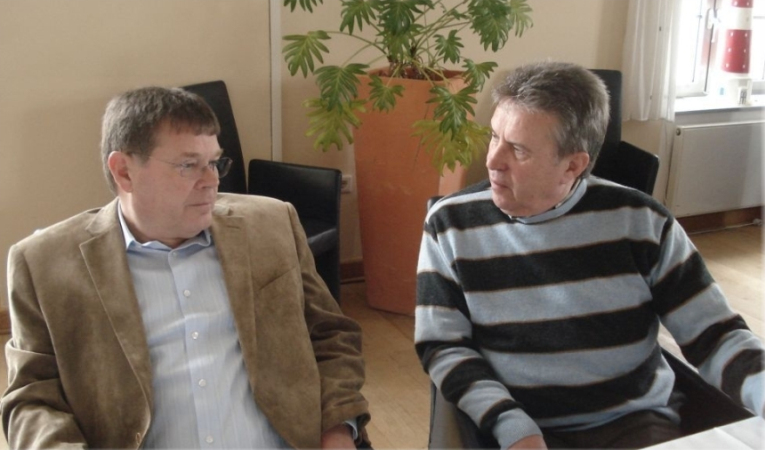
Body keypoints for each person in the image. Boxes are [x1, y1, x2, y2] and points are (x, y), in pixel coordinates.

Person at [414, 61, 764, 449]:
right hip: (511, 426)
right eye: (495, 136)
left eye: (518, 149)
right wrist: (511, 425)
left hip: (631, 423)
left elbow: (715, 335)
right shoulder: (450, 224)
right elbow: (442, 345)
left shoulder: (642, 222)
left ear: (573, 165)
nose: (493, 160)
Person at [2, 86, 370, 449]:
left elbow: (331, 336)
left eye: (214, 163)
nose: (212, 181)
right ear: (124, 171)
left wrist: (337, 431)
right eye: (188, 165)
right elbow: (31, 399)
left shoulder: (271, 226)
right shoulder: (45, 265)